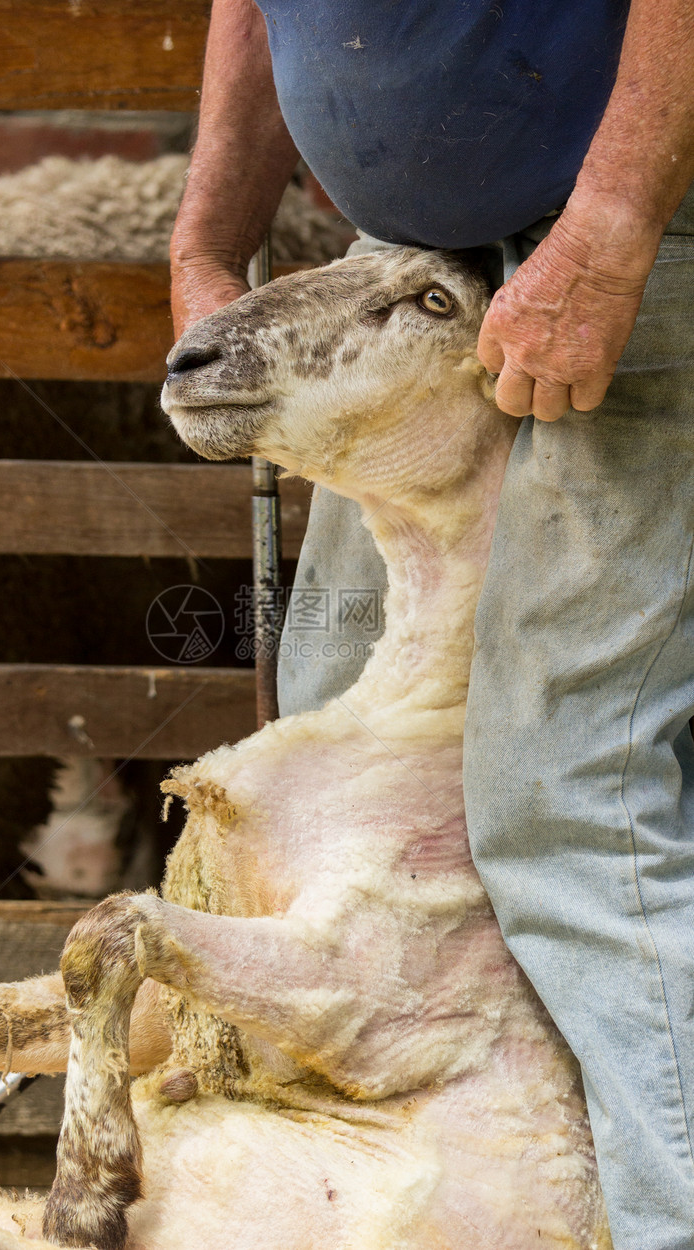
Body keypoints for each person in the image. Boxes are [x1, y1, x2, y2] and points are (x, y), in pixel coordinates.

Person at [168, 3, 694, 1246]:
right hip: (410, 256)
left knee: (570, 779)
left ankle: (664, 1217)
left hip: (625, 236)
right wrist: (204, 241)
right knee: (344, 719)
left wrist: (612, 231)